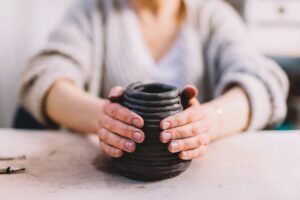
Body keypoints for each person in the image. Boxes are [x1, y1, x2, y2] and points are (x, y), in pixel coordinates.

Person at [19, 0, 289, 160]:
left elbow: (264, 82)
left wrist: (210, 122)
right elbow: (44, 76)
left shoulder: (212, 15)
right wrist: (102, 118)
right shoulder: (94, 12)